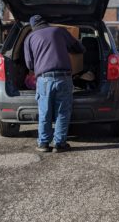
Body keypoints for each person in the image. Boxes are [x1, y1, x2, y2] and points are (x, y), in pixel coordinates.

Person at [24, 15, 85, 152]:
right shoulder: (59, 31)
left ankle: (44, 144)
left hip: (44, 80)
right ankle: (60, 144)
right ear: (46, 23)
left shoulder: (29, 38)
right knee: (62, 112)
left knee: (45, 111)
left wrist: (39, 66)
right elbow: (77, 47)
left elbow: (29, 63)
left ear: (33, 26)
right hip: (63, 77)